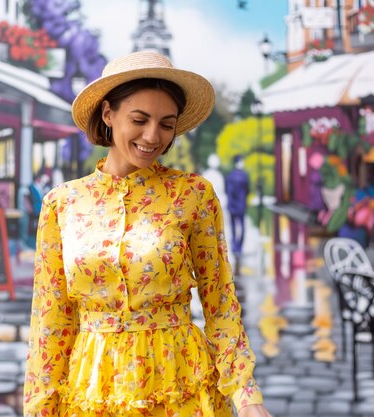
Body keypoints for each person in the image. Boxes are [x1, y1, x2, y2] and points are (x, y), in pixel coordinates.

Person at [23, 50, 273, 417]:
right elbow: (50, 320)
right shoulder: (62, 204)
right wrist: (38, 408)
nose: (153, 136)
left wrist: (247, 396)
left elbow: (220, 304)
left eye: (167, 124)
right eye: (139, 119)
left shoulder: (193, 194)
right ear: (108, 113)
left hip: (180, 383)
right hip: (92, 389)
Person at [225, 154, 249, 259]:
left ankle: (235, 247)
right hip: (242, 205)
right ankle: (239, 247)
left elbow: (228, 191)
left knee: (234, 227)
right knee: (242, 226)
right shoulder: (244, 176)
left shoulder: (230, 176)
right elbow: (248, 190)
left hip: (232, 205)